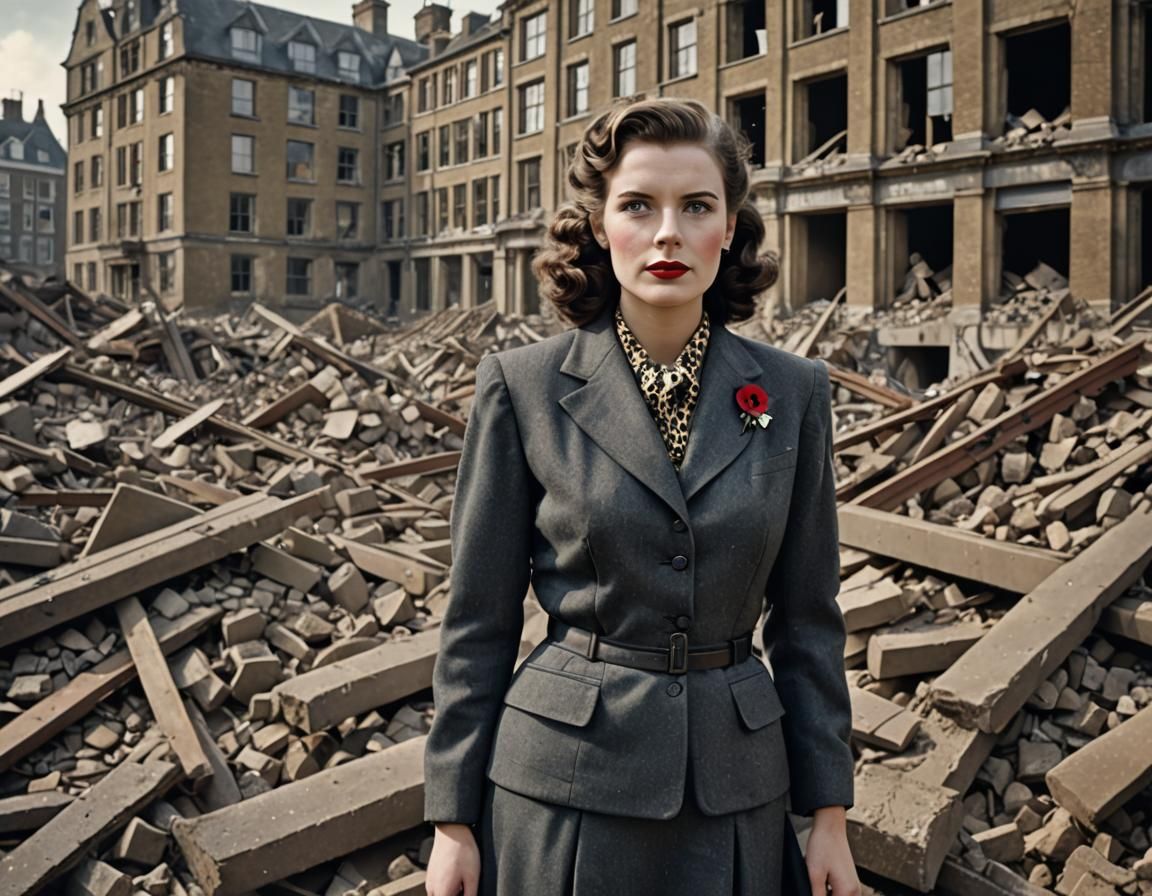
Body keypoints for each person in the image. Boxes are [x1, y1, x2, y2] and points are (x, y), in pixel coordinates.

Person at [423, 97, 860, 896]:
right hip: (562, 790)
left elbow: (808, 620)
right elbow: (478, 618)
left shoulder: (794, 393)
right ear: (598, 225)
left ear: (729, 228)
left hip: (736, 796)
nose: (668, 233)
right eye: (637, 205)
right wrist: (453, 819)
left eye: (696, 206)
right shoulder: (521, 388)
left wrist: (827, 814)